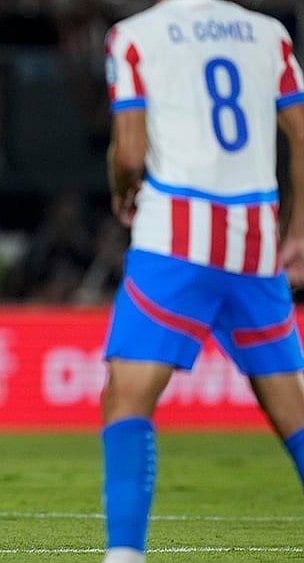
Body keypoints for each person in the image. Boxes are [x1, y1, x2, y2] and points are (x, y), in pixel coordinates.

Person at [102, 2, 304, 562]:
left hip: (175, 240)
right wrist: (301, 227)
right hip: (256, 239)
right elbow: (302, 133)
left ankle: (124, 555)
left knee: (127, 399)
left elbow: (131, 150)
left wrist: (120, 188)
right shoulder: (270, 35)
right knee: (293, 411)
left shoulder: (135, 36)